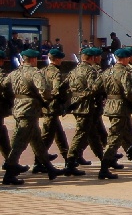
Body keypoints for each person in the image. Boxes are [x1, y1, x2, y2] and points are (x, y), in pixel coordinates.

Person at [2, 49, 60, 184]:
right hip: (30, 110)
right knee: (19, 143)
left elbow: (4, 87)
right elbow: (44, 90)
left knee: (37, 141)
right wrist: (47, 100)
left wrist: (13, 99)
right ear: (33, 60)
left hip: (18, 108)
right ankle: (9, 174)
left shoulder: (14, 73)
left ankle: (50, 168)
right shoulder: (35, 72)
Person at [96, 48, 132, 179]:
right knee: (114, 139)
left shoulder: (107, 72)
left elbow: (96, 87)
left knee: (127, 135)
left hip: (110, 107)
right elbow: (128, 92)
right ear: (125, 59)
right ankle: (104, 168)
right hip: (121, 108)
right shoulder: (124, 73)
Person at [40, 48, 81, 176]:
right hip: (52, 107)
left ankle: (67, 160)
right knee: (47, 136)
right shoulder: (56, 73)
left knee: (59, 135)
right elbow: (56, 90)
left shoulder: (41, 71)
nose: (62, 61)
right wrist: (62, 97)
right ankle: (38, 162)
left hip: (45, 106)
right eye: (60, 58)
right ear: (57, 59)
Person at [67, 47, 106, 167]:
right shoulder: (91, 71)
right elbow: (93, 89)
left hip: (76, 104)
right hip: (86, 105)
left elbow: (65, 86)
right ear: (92, 58)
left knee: (92, 132)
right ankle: (70, 160)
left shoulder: (74, 71)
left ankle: (104, 158)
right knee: (81, 133)